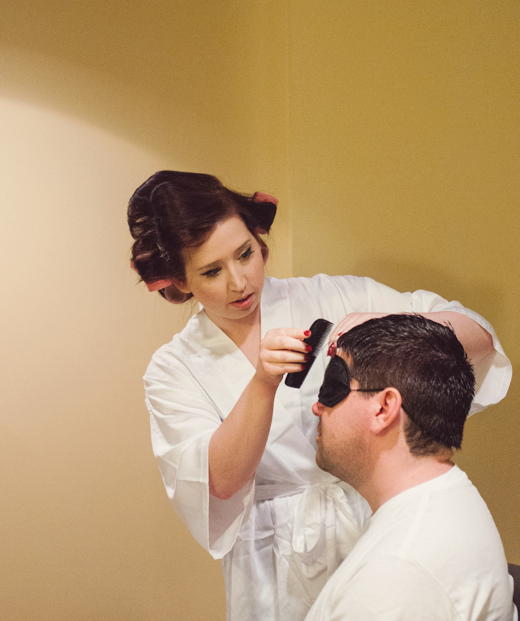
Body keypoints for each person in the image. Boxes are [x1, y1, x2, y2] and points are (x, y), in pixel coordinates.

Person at [127, 171, 512, 621]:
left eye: (245, 253)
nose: (239, 282)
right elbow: (219, 484)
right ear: (180, 281)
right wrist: (262, 385)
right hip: (274, 563)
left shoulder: (330, 295)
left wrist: (388, 322)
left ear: (257, 237)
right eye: (212, 271)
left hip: (372, 520)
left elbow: (480, 338)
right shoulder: (174, 369)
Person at [307, 314, 516, 621]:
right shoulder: (445, 501)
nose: (316, 407)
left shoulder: (395, 577)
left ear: (383, 408)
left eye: (332, 388)